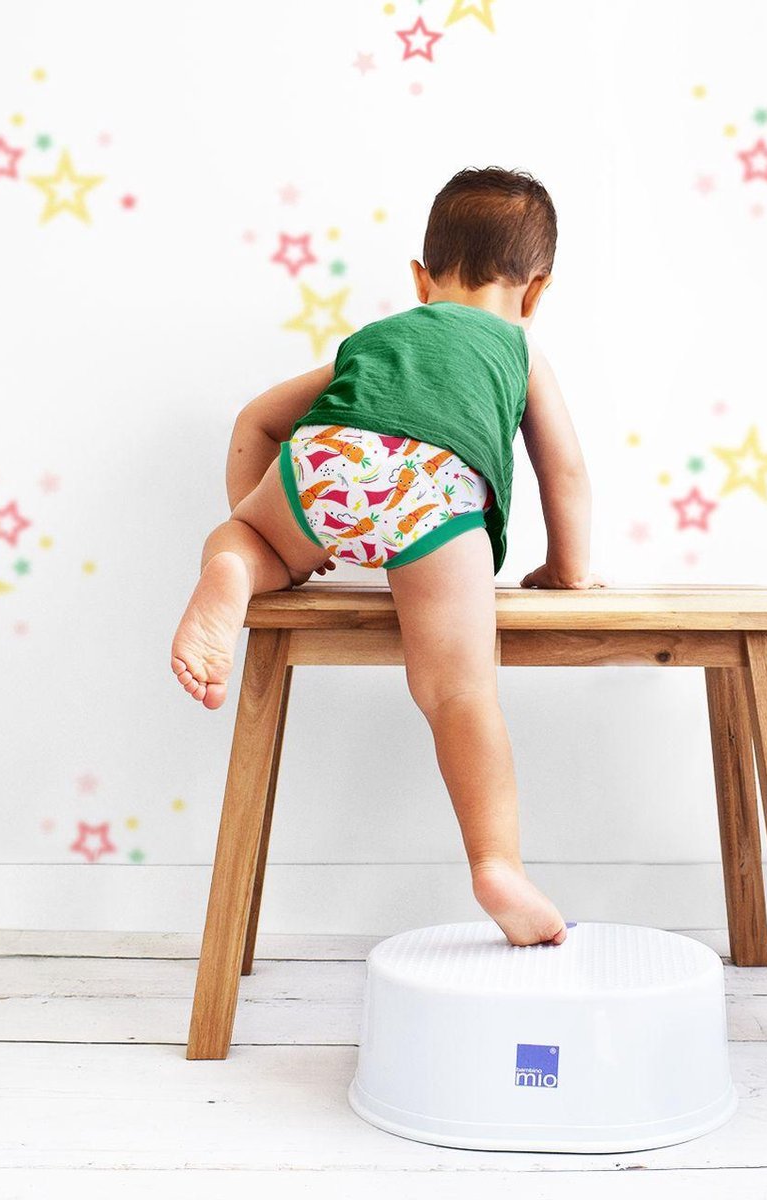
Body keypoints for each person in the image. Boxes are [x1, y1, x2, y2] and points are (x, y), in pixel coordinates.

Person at [171, 166, 604, 947]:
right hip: (434, 494)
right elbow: (563, 470)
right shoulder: (518, 347)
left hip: (325, 461)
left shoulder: (378, 338)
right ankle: (497, 865)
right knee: (458, 693)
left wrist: (269, 530)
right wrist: (566, 570)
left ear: (420, 278)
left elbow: (257, 419)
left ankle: (236, 573)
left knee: (241, 542)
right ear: (536, 291)